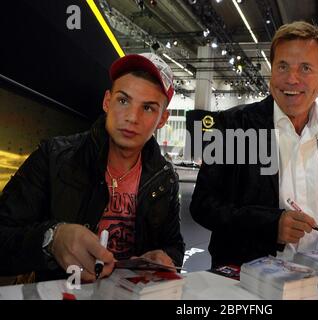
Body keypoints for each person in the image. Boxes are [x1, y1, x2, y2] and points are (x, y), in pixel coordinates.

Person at [190, 21, 318, 272]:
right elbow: (204, 205)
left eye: (305, 68)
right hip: (248, 281)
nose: (291, 79)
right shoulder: (235, 125)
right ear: (271, 72)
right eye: (282, 66)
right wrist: (269, 225)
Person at [0, 53, 185, 282]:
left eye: (148, 108)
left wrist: (166, 257)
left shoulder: (164, 178)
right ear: (107, 102)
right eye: (123, 100)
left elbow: (174, 246)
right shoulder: (54, 157)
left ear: (163, 119)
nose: (131, 117)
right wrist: (52, 239)